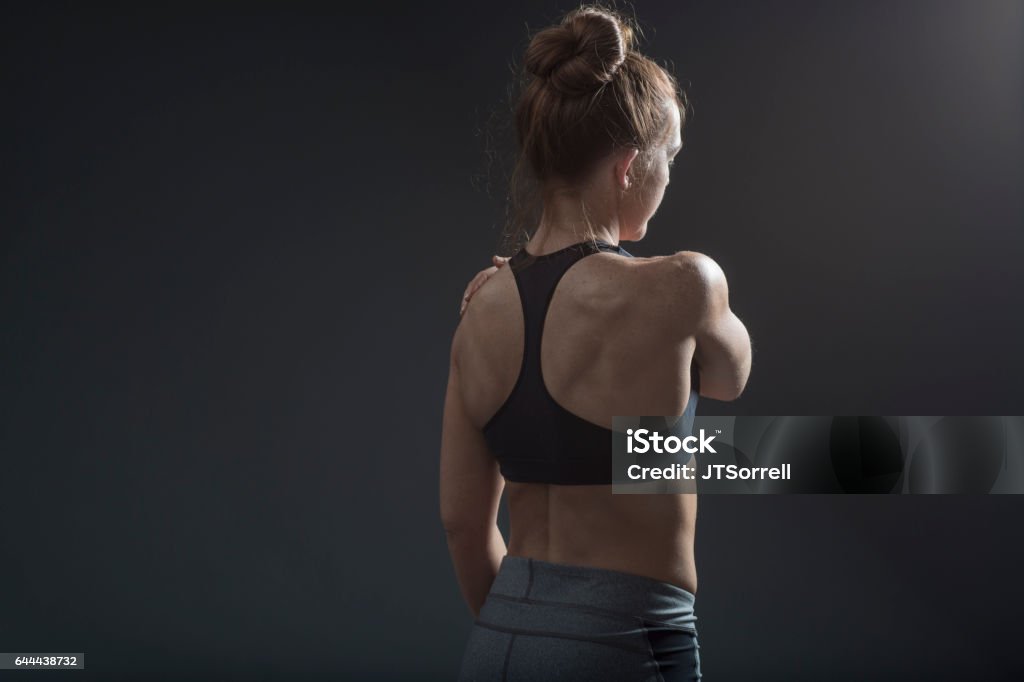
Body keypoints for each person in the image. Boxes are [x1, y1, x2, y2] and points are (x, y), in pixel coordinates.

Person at [440, 4, 752, 680]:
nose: (667, 180)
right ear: (630, 166)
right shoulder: (685, 286)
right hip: (626, 647)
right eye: (668, 160)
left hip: (495, 645)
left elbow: (464, 525)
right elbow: (732, 377)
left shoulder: (479, 312)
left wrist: (527, 632)